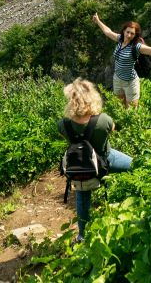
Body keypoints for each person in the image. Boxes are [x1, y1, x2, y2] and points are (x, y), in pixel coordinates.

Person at [58, 78, 132, 242]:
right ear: (92, 98)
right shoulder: (103, 120)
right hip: (105, 160)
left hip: (81, 166)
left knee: (82, 196)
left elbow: (62, 135)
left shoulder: (63, 124)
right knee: (137, 165)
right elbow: (112, 129)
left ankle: (82, 236)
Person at [92, 13, 151, 108]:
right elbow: (108, 32)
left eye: (132, 33)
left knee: (132, 110)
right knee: (119, 107)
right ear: (124, 31)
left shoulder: (137, 47)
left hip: (130, 83)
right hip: (117, 79)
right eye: (127, 32)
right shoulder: (120, 39)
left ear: (135, 35)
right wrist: (98, 21)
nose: (129, 35)